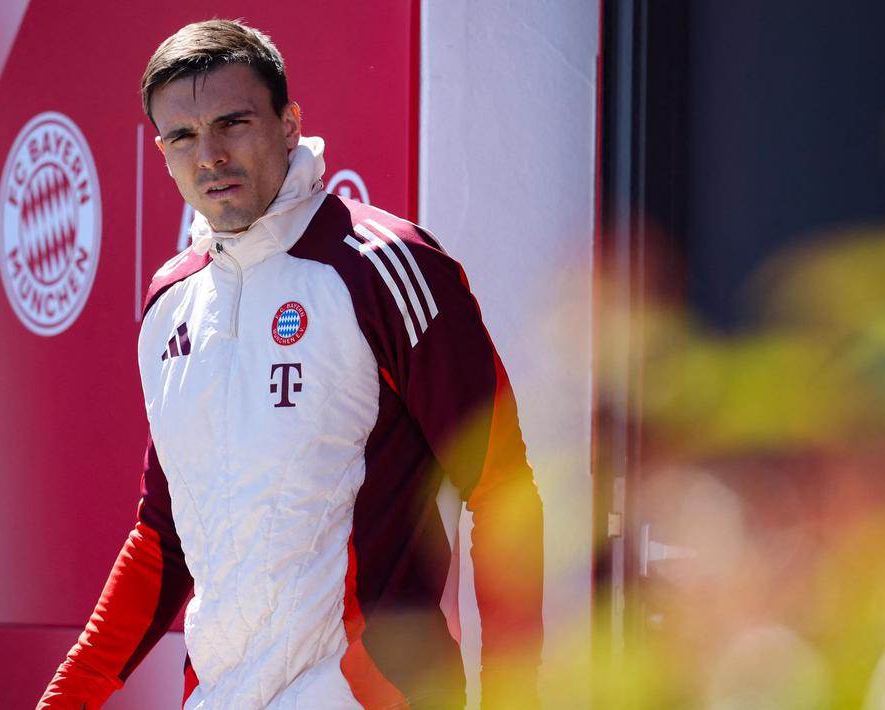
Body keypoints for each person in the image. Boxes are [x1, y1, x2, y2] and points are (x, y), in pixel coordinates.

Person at [37, 19, 543, 710]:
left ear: (288, 123)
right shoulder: (170, 304)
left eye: (233, 122)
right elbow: (164, 537)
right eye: (182, 136)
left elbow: (500, 488)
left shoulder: (382, 265)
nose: (209, 154)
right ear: (161, 152)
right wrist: (66, 698)